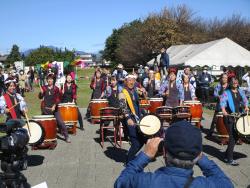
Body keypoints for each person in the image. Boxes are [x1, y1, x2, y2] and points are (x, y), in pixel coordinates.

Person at [115, 120, 233, 188]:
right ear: (197, 155)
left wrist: (145, 155)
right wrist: (202, 158)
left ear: (164, 152)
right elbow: (227, 184)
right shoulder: (203, 185)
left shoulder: (145, 182)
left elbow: (120, 183)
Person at [220, 77, 249, 166]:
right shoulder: (226, 92)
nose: (235, 84)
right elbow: (222, 102)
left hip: (238, 117)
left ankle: (226, 155)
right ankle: (229, 159)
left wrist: (246, 106)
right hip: (229, 117)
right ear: (230, 83)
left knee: (235, 137)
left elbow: (245, 100)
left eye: (236, 82)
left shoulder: (240, 91)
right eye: (233, 82)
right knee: (232, 137)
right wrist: (223, 110)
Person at [119, 74, 146, 163]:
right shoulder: (122, 92)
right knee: (135, 142)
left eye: (133, 81)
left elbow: (144, 97)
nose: (131, 82)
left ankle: (130, 157)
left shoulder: (135, 90)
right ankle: (129, 161)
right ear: (126, 81)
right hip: (130, 119)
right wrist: (128, 118)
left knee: (142, 140)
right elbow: (123, 106)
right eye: (129, 80)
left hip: (137, 118)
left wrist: (144, 92)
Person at [39, 73, 70, 143]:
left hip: (55, 109)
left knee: (61, 122)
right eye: (48, 79)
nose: (49, 80)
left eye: (51, 79)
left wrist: (54, 105)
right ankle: (43, 138)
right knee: (43, 124)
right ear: (46, 80)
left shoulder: (56, 88)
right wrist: (41, 93)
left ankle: (66, 136)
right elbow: (40, 97)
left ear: (53, 80)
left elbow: (58, 99)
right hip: (46, 110)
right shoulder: (44, 88)